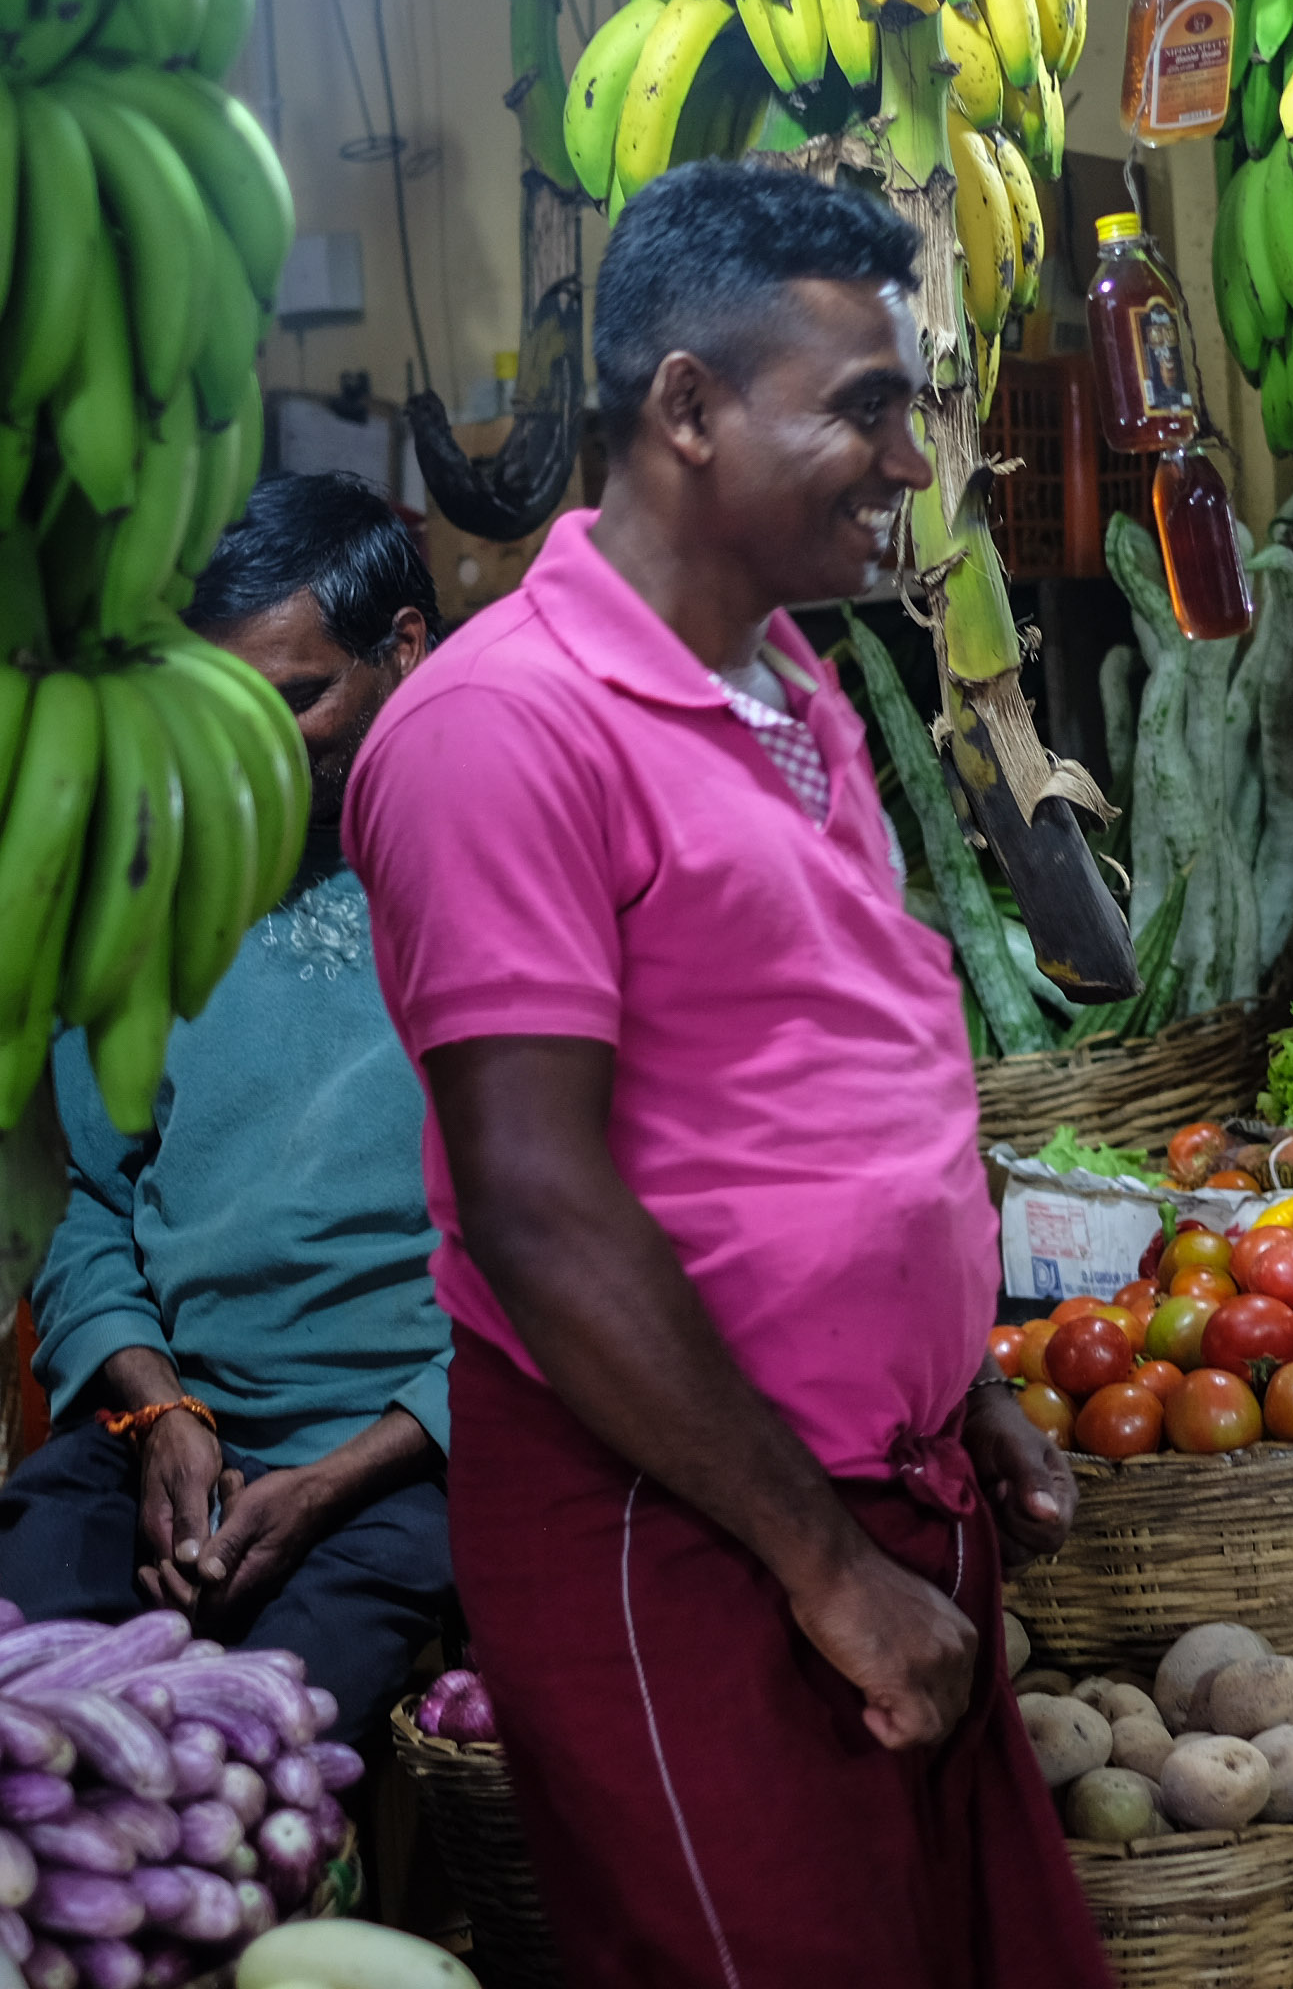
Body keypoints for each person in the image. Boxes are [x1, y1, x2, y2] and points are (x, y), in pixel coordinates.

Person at [347, 162, 1110, 1989]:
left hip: (871, 1485)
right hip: (680, 1527)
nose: (913, 462)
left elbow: (809, 1078)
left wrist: (955, 1379)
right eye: (863, 407)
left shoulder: (789, 684)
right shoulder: (495, 729)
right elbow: (538, 1203)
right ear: (685, 407)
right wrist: (824, 1567)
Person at [0, 475, 450, 1740]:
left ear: (403, 653)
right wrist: (160, 1416)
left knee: (256, 1752)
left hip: (412, 1463)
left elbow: (574, 1251)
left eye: (295, 698)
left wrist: (330, 1482)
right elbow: (82, 1203)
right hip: (177, 1439)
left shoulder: (493, 874)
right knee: (21, 1713)